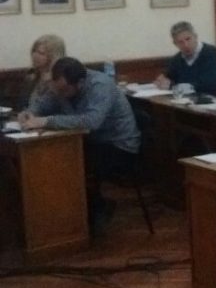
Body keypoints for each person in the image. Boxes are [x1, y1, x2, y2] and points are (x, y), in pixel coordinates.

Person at [19, 57, 141, 231]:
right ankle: (69, 216)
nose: (59, 93)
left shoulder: (100, 86)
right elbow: (44, 105)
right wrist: (29, 113)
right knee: (54, 159)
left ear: (80, 83)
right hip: (90, 142)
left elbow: (91, 121)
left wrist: (46, 121)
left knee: (69, 165)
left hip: (118, 145)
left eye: (64, 90)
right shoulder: (61, 85)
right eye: (56, 88)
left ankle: (92, 212)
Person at [154, 21, 216, 95]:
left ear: (195, 37)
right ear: (175, 44)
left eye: (188, 39)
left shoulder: (211, 53)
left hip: (212, 98)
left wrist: (174, 86)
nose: (186, 45)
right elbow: (169, 76)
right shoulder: (176, 60)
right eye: (180, 42)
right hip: (186, 99)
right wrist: (162, 80)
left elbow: (208, 84)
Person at [21, 34, 66, 111]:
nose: (35, 55)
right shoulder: (31, 76)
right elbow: (23, 106)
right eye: (34, 51)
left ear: (53, 56)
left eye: (41, 53)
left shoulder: (59, 80)